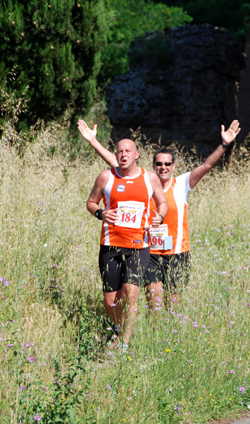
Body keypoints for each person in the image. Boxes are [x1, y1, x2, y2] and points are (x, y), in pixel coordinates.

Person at [79, 119, 241, 309]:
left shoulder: (181, 184)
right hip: (151, 252)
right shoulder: (145, 182)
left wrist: (224, 145)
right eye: (159, 164)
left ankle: (164, 336)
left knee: (173, 305)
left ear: (173, 166)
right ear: (154, 166)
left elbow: (206, 166)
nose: (163, 167)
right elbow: (118, 162)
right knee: (154, 302)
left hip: (177, 252)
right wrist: (93, 141)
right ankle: (136, 329)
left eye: (167, 164)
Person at [86, 137, 168, 351]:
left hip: (139, 246)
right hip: (110, 244)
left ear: (136, 154)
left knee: (131, 293)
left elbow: (163, 202)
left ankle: (123, 343)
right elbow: (91, 202)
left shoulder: (149, 177)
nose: (123, 155)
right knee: (111, 300)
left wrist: (160, 216)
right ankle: (118, 327)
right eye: (120, 151)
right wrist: (101, 213)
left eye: (128, 151)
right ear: (117, 155)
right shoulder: (106, 177)